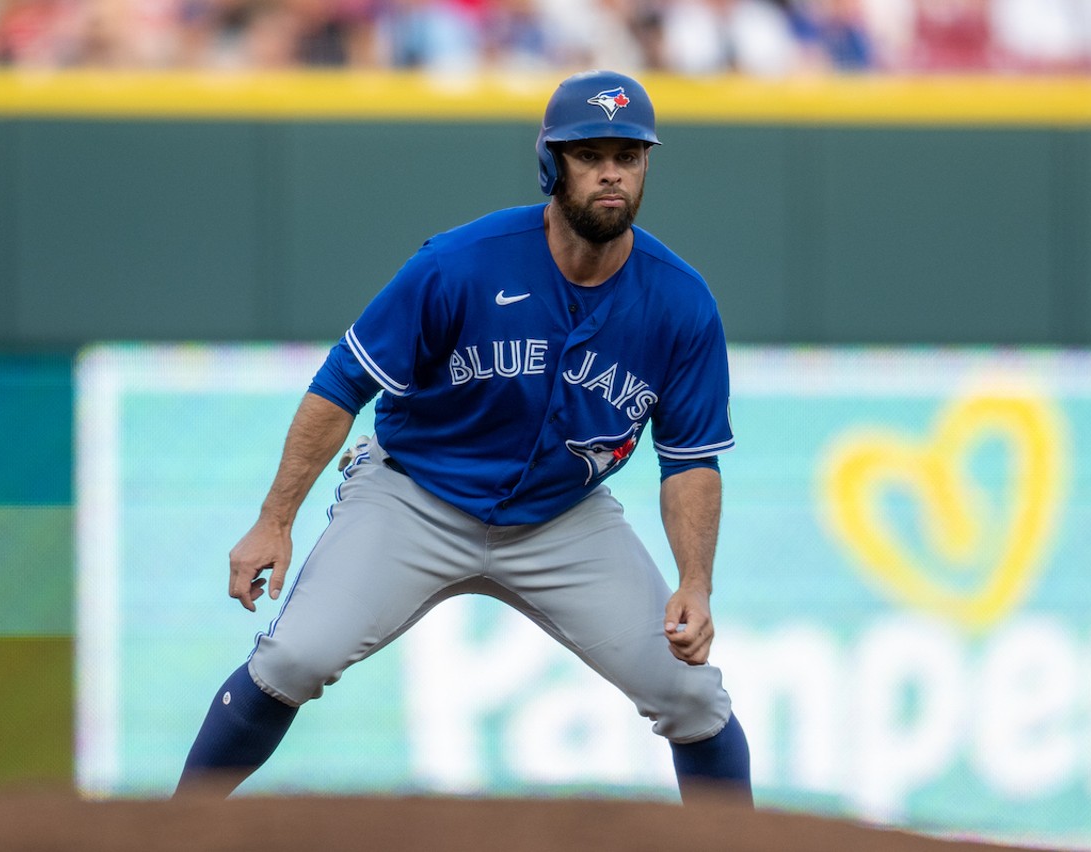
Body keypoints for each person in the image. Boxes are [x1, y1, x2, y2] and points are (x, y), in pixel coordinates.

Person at [173, 69, 753, 806]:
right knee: (293, 658)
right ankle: (174, 830)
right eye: (590, 152)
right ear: (552, 163)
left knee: (694, 697)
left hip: (561, 519)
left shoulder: (681, 301)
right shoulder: (460, 263)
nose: (612, 171)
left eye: (629, 155)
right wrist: (274, 520)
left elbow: (690, 461)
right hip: (415, 495)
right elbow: (342, 382)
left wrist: (696, 585)